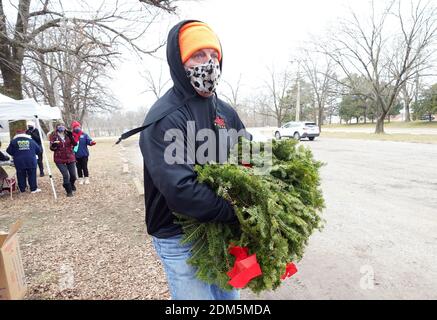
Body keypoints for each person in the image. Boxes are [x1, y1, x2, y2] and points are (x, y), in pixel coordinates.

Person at [139, 21, 250, 300]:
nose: (209, 63)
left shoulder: (225, 112)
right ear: (180, 61)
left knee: (228, 298)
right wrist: (238, 210)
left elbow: (248, 155)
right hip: (179, 236)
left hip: (219, 228)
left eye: (214, 56)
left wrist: (261, 189)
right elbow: (182, 189)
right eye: (199, 55)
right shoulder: (166, 117)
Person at [49, 123, 77, 197]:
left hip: (70, 157)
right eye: (59, 126)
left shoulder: (68, 134)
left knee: (73, 175)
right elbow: (51, 148)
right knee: (65, 175)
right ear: (57, 128)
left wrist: (71, 137)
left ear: (65, 127)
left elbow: (75, 144)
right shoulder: (53, 136)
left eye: (62, 126)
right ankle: (69, 191)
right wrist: (54, 146)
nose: (61, 127)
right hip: (59, 158)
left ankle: (70, 184)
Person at [71, 121, 96, 185]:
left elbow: (89, 141)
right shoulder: (71, 136)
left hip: (84, 154)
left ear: (80, 127)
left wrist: (92, 142)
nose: (77, 128)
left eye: (78, 127)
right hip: (75, 155)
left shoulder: (84, 135)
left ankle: (86, 179)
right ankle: (80, 179)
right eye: (75, 127)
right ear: (73, 128)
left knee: (84, 167)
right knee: (78, 168)